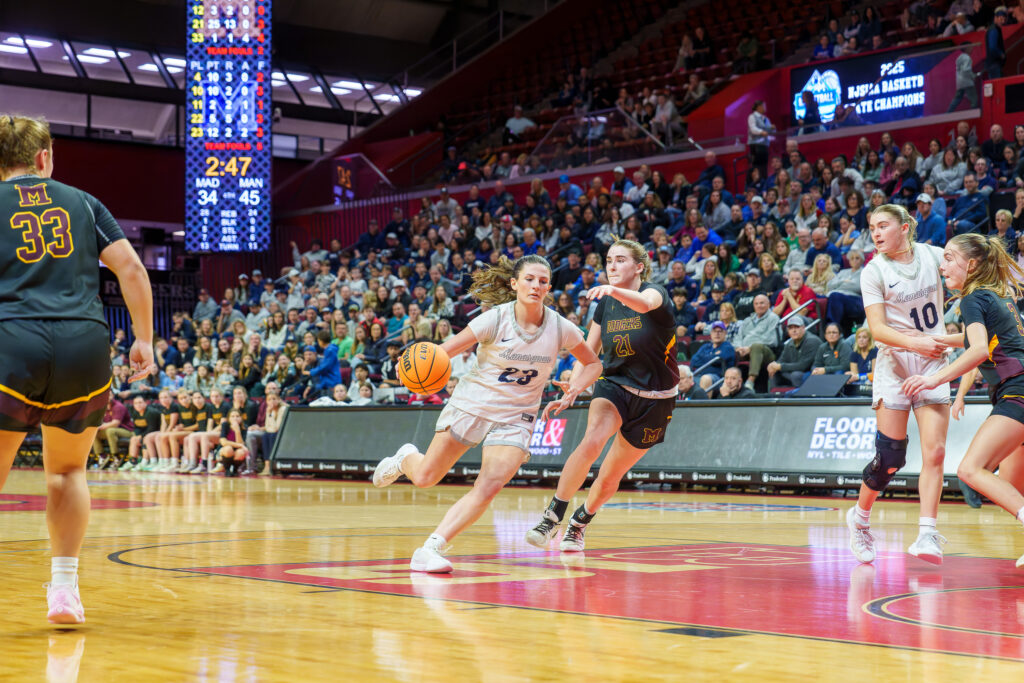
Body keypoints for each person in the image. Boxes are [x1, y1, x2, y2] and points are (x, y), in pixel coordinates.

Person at [0, 114, 155, 624]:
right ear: (44, 158)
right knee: (67, 471)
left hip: (12, 342)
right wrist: (144, 340)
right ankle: (64, 590)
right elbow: (131, 268)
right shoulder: (85, 203)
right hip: (84, 346)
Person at [371, 255, 601, 573]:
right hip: (472, 405)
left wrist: (575, 387)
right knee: (425, 478)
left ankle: (430, 548)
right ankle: (404, 459)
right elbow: (442, 351)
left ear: (549, 287)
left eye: (543, 281)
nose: (536, 286)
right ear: (514, 283)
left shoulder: (561, 328)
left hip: (516, 416)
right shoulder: (495, 319)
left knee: (489, 485)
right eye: (530, 279)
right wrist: (408, 362)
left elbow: (593, 363)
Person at [525, 240, 679, 553]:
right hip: (615, 386)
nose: (611, 266)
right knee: (592, 440)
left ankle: (579, 522)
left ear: (638, 267)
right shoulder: (605, 304)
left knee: (610, 478)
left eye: (620, 260)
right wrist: (573, 390)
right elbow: (591, 358)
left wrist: (613, 291)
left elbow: (645, 303)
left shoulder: (656, 293)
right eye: (608, 260)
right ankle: (553, 514)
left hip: (657, 399)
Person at [845, 204, 962, 567]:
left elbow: (970, 266)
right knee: (891, 458)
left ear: (906, 227)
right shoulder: (873, 271)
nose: (876, 233)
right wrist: (918, 343)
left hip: (931, 360)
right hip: (895, 363)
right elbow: (877, 329)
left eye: (883, 226)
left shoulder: (933, 255)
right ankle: (860, 518)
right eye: (872, 228)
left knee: (937, 452)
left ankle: (927, 532)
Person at [902, 233, 1024, 566]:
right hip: (1015, 391)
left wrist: (933, 378)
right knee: (1012, 486)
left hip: (1017, 392)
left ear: (971, 265)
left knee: (970, 469)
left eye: (949, 259)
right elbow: (983, 338)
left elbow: (980, 349)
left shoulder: (972, 298)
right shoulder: (998, 296)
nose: (942, 266)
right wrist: (939, 340)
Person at [747, 101, 774, 174]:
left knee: (764, 166)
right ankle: (757, 181)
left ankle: (763, 181)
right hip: (755, 145)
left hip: (764, 145)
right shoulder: (752, 117)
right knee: (757, 166)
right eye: (764, 106)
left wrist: (772, 128)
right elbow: (753, 129)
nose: (765, 108)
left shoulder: (765, 118)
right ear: (759, 107)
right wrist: (761, 132)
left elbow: (770, 130)